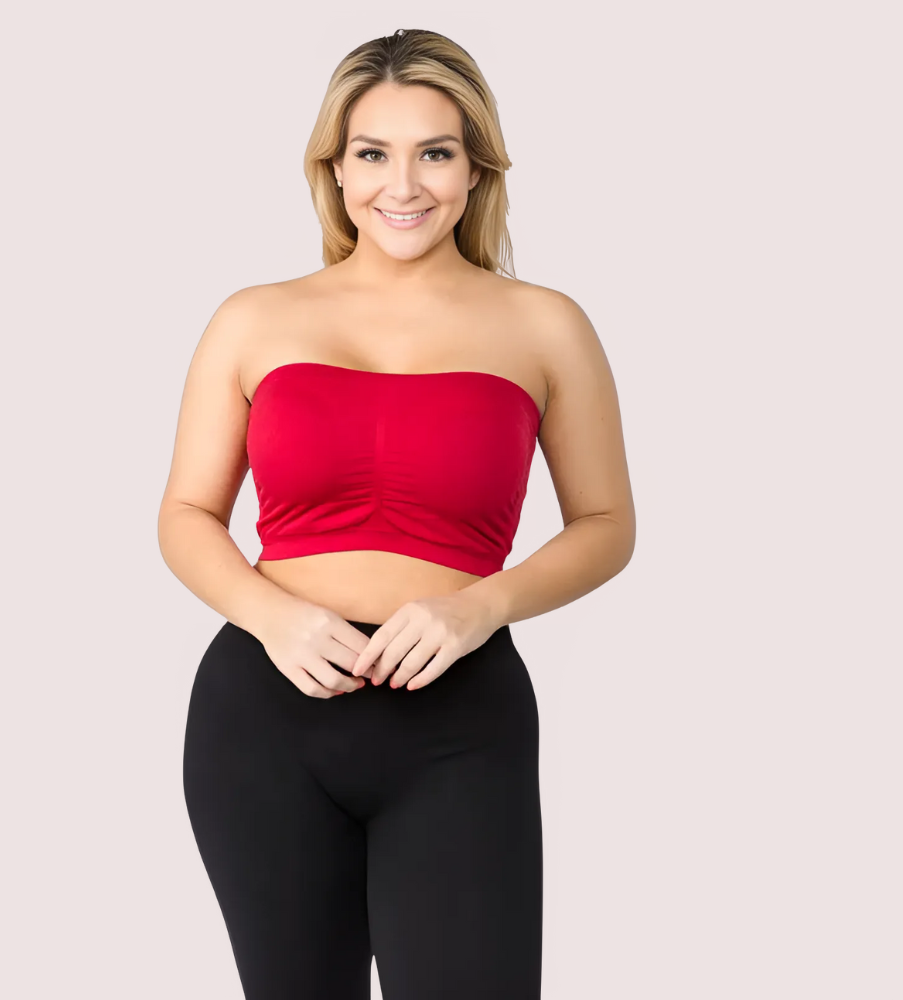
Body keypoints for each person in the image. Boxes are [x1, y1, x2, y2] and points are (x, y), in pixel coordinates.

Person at [157, 27, 635, 1000]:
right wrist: (271, 616)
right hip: (264, 720)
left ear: (475, 167)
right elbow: (186, 512)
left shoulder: (544, 324)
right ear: (334, 170)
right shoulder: (252, 319)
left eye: (435, 152)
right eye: (373, 153)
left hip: (459, 719)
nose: (402, 184)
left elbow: (605, 523)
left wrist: (480, 606)